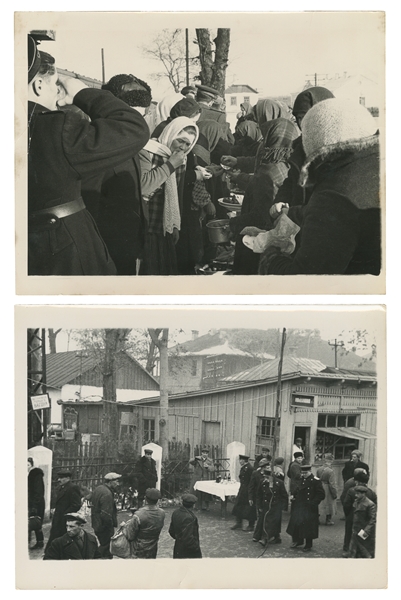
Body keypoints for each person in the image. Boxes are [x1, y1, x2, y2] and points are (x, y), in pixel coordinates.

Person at [27, 35, 149, 276]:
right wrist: (80, 92)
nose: (58, 95)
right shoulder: (52, 130)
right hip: (65, 252)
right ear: (38, 85)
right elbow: (134, 128)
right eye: (55, 86)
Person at [259, 98, 380, 275]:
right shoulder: (379, 163)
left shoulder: (334, 191)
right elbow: (350, 216)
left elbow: (306, 280)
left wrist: (269, 254)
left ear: (313, 141)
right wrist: (293, 214)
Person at [81, 73, 151, 275]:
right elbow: (89, 205)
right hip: (106, 251)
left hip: (127, 244)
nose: (136, 126)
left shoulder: (128, 142)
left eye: (141, 117)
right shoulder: (96, 145)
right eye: (130, 118)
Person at [224, 115, 299, 275]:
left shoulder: (267, 171)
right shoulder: (290, 166)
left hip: (258, 243)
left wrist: (232, 224)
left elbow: (260, 217)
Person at [138, 117, 199, 275]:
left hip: (164, 227)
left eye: (188, 144)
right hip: (146, 225)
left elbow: (176, 193)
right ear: (171, 134)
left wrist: (175, 225)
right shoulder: (148, 151)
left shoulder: (181, 159)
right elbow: (144, 186)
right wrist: (170, 164)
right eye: (181, 141)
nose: (183, 147)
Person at [273, 86, 335, 208]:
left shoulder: (338, 149)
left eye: (307, 117)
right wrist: (280, 202)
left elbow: (330, 206)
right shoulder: (300, 147)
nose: (302, 124)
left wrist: (293, 213)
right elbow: (291, 181)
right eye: (299, 118)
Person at [286, 464, 325, 552]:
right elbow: (298, 489)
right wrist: (293, 495)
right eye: (302, 473)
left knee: (308, 526)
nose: (303, 474)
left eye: (305, 473)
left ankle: (308, 544)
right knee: (296, 523)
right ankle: (298, 541)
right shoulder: (301, 479)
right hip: (299, 505)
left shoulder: (315, 481)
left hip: (309, 507)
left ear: (310, 471)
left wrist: (313, 503)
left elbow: (321, 494)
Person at [44, 470, 82, 555]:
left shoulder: (72, 488)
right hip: (58, 518)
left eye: (61, 478)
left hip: (64, 520)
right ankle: (51, 553)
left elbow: (76, 505)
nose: (59, 480)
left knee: (64, 538)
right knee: (55, 537)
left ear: (68, 478)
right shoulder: (62, 488)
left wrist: (65, 514)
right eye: (59, 477)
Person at [341, 468, 377, 557]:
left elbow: (346, 504)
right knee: (363, 535)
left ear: (357, 481)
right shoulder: (371, 493)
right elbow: (375, 507)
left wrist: (348, 515)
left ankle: (347, 549)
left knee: (350, 532)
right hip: (365, 519)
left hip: (352, 517)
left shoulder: (351, 490)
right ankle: (361, 551)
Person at [253, 464, 288, 546]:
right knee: (265, 521)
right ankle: (273, 537)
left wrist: (283, 507)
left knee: (272, 522)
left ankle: (266, 539)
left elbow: (284, 495)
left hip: (276, 506)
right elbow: (259, 495)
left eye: (267, 477)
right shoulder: (262, 482)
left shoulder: (279, 483)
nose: (266, 479)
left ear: (271, 477)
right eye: (265, 477)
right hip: (265, 505)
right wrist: (259, 506)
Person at [125, 488, 165, 558]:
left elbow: (130, 536)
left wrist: (126, 526)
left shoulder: (139, 514)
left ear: (145, 499)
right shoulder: (162, 513)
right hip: (153, 549)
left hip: (138, 550)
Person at [91, 472, 121, 559]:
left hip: (96, 523)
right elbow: (106, 514)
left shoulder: (99, 489)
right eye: (116, 481)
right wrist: (110, 527)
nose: (118, 484)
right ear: (110, 481)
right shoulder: (107, 493)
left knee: (105, 547)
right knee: (107, 548)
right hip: (104, 526)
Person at [168, 493, 202, 558]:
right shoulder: (190, 517)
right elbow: (188, 539)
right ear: (193, 505)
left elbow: (171, 531)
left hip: (178, 546)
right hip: (188, 551)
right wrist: (196, 547)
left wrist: (179, 538)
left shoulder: (176, 512)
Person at [348, 485, 376, 558]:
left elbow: (372, 519)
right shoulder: (356, 502)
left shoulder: (370, 504)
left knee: (365, 550)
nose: (356, 495)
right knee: (354, 550)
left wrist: (366, 531)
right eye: (356, 493)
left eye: (358, 493)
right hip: (356, 529)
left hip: (363, 530)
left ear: (363, 494)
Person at [231, 455, 255, 531]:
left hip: (248, 490)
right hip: (242, 490)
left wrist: (250, 491)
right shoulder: (244, 468)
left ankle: (251, 525)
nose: (239, 462)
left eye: (240, 460)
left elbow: (252, 480)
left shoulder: (249, 468)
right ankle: (239, 523)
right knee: (239, 505)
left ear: (244, 461)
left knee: (249, 508)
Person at [28, 457, 45, 549]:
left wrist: (34, 506)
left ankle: (40, 542)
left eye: (28, 465)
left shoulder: (35, 475)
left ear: (31, 465)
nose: (26, 467)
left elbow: (38, 492)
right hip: (30, 502)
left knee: (35, 522)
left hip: (36, 503)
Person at [316, 453, 338, 525]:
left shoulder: (319, 469)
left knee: (320, 504)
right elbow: (332, 484)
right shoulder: (331, 471)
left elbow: (317, 479)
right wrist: (334, 493)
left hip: (320, 486)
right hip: (328, 488)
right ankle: (328, 520)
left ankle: (316, 519)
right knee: (330, 504)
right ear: (331, 461)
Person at [248, 457, 269, 529]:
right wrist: (250, 498)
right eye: (266, 467)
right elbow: (251, 486)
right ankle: (253, 526)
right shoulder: (255, 474)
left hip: (266, 497)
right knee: (256, 512)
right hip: (257, 496)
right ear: (262, 468)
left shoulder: (270, 474)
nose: (268, 468)